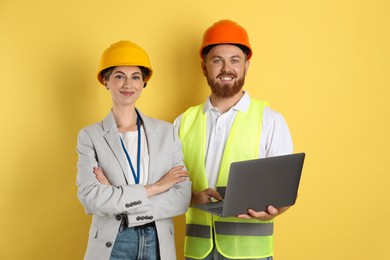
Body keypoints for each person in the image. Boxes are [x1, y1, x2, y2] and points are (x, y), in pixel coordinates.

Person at [174, 20, 294, 260]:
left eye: (235, 60)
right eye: (217, 60)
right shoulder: (182, 122)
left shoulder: (269, 120)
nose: (226, 68)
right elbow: (166, 186)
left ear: (246, 66)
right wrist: (193, 197)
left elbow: (284, 191)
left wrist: (274, 210)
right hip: (198, 253)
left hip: (251, 254)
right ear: (204, 67)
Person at [76, 40, 191, 260]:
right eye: (119, 76)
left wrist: (117, 197)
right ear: (106, 81)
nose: (128, 84)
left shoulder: (168, 132)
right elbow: (90, 197)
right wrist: (157, 187)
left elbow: (181, 197)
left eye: (135, 77)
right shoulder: (90, 136)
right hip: (113, 241)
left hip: (157, 240)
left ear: (143, 82)